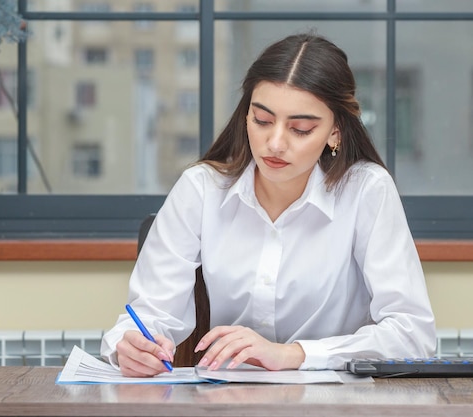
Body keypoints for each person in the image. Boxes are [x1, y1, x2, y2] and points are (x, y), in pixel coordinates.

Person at [100, 32, 436, 377]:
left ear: (335, 132)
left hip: (335, 404)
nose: (274, 143)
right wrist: (129, 348)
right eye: (261, 120)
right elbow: (150, 315)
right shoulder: (201, 188)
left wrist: (293, 354)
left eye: (301, 128)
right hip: (224, 399)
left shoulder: (366, 191)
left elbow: (414, 335)